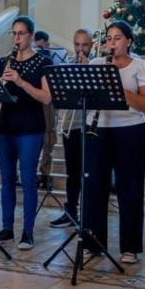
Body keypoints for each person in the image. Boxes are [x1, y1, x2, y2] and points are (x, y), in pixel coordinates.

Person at [82, 20, 145, 264]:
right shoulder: (96, 64)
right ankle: (93, 243)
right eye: (109, 38)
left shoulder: (141, 66)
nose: (112, 43)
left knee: (130, 188)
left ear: (128, 41)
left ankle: (130, 247)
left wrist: (117, 88)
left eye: (117, 38)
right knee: (94, 187)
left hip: (130, 130)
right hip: (98, 129)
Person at [0, 16, 52, 250]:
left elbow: (46, 98)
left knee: (27, 181)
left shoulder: (44, 62)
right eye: (13, 34)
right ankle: (7, 229)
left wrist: (21, 82)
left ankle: (27, 232)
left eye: (21, 33)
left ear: (31, 35)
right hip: (4, 127)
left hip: (30, 128)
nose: (17, 38)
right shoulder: (4, 61)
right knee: (6, 181)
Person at [49, 28, 94, 228]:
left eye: (85, 45)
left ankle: (89, 213)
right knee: (72, 172)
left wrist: (89, 69)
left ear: (92, 45)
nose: (80, 49)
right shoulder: (67, 66)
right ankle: (71, 211)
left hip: (90, 126)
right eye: (77, 45)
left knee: (89, 172)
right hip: (70, 125)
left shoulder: (98, 65)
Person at [33, 30, 56, 191]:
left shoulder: (51, 58)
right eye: (37, 45)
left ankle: (45, 173)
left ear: (47, 44)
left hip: (48, 101)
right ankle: (28, 173)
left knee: (49, 136)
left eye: (43, 45)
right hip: (32, 99)